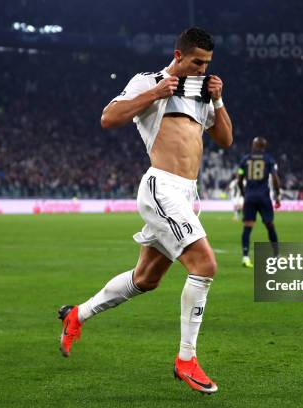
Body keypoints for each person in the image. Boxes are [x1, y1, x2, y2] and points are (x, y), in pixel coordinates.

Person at [58, 27, 232, 395]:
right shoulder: (149, 81)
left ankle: (78, 315)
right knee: (205, 265)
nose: (203, 69)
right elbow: (109, 118)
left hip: (187, 194)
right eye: (197, 62)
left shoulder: (201, 94)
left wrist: (218, 101)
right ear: (179, 55)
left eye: (208, 64)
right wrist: (156, 92)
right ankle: (186, 359)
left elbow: (225, 139)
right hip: (161, 186)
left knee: (146, 279)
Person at [237, 137, 281, 268]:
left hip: (250, 196)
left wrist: (243, 192)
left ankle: (245, 257)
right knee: (270, 225)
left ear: (253, 145)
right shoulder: (268, 159)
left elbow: (239, 178)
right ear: (264, 147)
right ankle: (277, 256)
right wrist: (277, 195)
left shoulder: (245, 159)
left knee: (247, 226)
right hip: (263, 197)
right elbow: (275, 178)